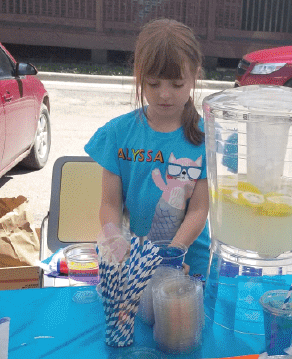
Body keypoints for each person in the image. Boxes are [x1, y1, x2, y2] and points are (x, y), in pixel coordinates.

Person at [86, 18, 211, 278]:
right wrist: (115, 241)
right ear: (138, 76)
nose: (165, 94)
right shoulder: (118, 134)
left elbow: (199, 209)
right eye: (154, 84)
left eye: (177, 84)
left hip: (188, 261)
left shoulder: (206, 137)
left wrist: (173, 254)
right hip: (134, 260)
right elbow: (110, 203)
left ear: (195, 75)